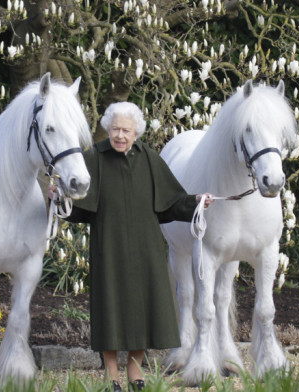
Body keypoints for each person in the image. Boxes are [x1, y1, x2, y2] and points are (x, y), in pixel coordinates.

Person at [50, 102, 212, 391]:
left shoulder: (149, 158)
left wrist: (197, 201)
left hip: (145, 248)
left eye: (125, 130)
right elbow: (77, 205)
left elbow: (172, 202)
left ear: (136, 132)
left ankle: (135, 373)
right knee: (109, 309)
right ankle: (111, 375)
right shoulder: (94, 158)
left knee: (143, 310)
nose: (120, 136)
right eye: (114, 129)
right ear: (107, 130)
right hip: (108, 247)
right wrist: (58, 197)